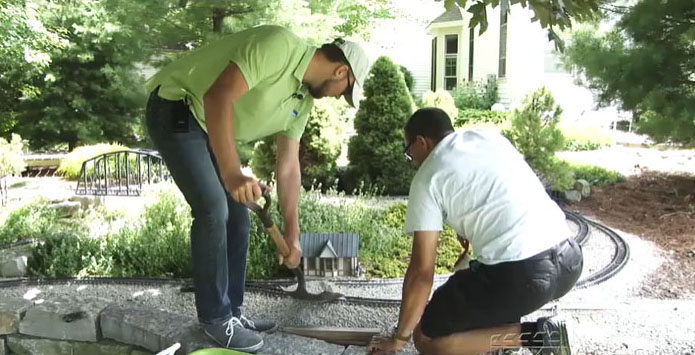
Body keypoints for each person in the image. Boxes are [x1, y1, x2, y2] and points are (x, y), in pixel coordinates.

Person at [144, 25, 369, 353]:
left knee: (238, 214)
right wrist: (233, 174)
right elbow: (217, 96)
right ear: (340, 70)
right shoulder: (279, 46)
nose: (339, 98)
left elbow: (289, 166)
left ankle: (232, 313)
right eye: (345, 90)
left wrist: (293, 233)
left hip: (207, 126)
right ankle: (215, 318)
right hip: (176, 107)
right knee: (213, 208)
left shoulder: (302, 100)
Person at [369, 108, 583, 355]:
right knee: (482, 287)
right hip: (569, 260)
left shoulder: (427, 177)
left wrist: (399, 338)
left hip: (522, 277)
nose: (412, 160)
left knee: (427, 339)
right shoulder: (489, 138)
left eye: (409, 153)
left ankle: (536, 336)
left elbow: (421, 272)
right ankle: (500, 339)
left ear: (421, 142)